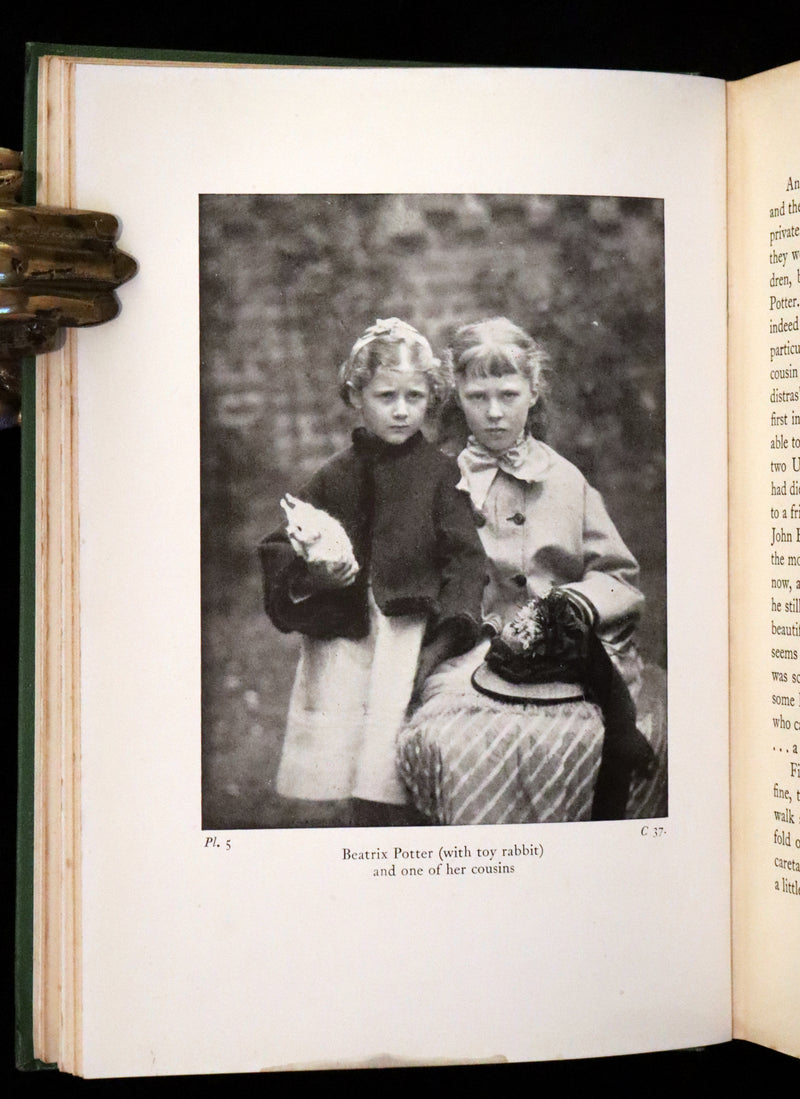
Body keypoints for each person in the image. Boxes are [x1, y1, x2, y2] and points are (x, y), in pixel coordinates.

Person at [397, 317, 666, 824]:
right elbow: (418, 581)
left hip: (570, 654)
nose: (495, 412)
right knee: (458, 744)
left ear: (534, 391)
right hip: (473, 655)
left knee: (609, 738)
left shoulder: (565, 480)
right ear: (457, 395)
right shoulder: (438, 482)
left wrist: (579, 603)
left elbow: (617, 577)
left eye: (508, 393)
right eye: (478, 396)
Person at [259, 318, 487, 827]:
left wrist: (450, 629)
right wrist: (312, 573)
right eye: (386, 396)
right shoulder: (335, 475)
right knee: (351, 758)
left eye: (415, 396)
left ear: (432, 397)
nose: (402, 410)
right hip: (345, 638)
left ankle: (410, 838)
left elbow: (466, 558)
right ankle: (365, 838)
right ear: (356, 395)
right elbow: (283, 544)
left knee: (398, 755)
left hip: (406, 637)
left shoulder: (439, 474)